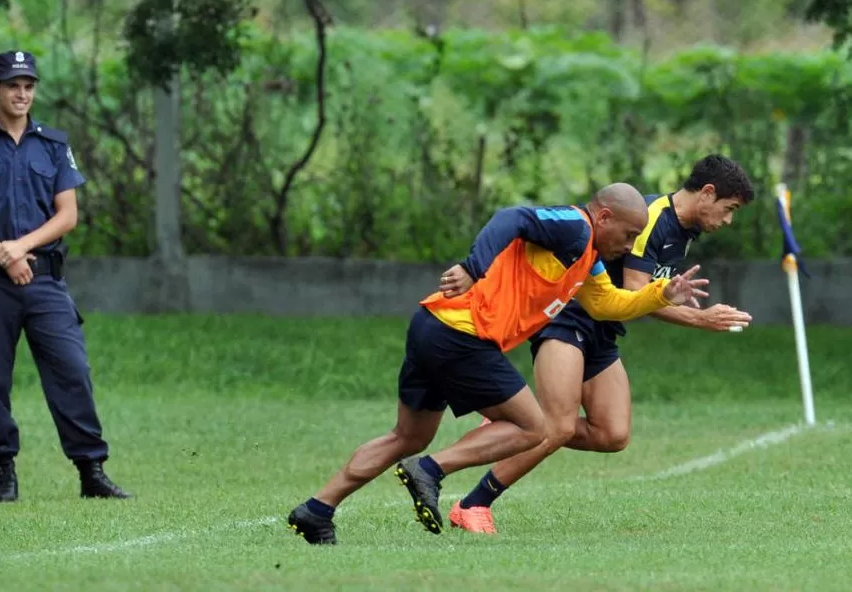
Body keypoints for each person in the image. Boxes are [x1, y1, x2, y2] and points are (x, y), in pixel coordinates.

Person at [286, 182, 709, 545]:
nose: (631, 243)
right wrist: (474, 266)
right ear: (603, 216)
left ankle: (317, 510)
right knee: (534, 427)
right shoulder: (573, 226)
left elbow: (604, 304)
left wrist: (660, 295)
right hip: (463, 335)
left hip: (434, 326)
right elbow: (512, 217)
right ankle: (430, 471)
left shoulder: (588, 257)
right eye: (629, 233)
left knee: (407, 435)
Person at [449, 154, 754, 534]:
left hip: (603, 329)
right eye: (729, 209)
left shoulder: (683, 232)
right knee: (557, 428)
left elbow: (639, 299)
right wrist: (701, 319)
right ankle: (474, 503)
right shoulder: (653, 219)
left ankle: (516, 421)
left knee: (612, 434)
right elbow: (633, 294)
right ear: (708, 193)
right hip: (571, 316)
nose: (728, 220)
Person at [0, 50, 130, 502]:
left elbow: (68, 216)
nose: (21, 93)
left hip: (44, 280)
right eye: (12, 86)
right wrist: (3, 256)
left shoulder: (53, 145)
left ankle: (91, 471)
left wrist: (21, 248)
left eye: (28, 86)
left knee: (72, 370)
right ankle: (3, 473)